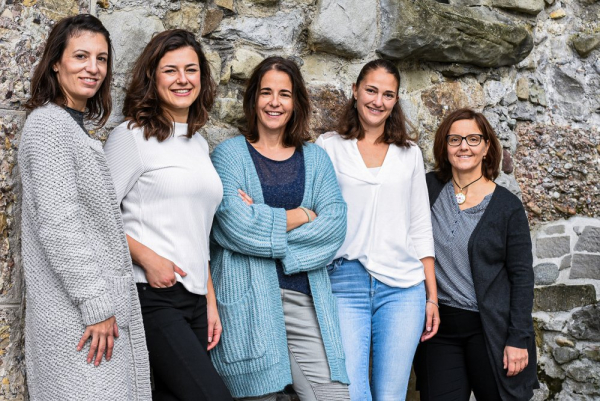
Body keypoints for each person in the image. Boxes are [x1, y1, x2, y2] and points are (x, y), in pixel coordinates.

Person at [19, 14, 150, 400]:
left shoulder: (71, 128)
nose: (93, 68)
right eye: (81, 56)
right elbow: (59, 223)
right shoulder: (49, 126)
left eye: (101, 59)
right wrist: (96, 304)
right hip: (79, 321)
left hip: (90, 317)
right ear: (55, 62)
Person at [209, 56, 350, 401]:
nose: (275, 102)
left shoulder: (315, 159)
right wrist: (303, 215)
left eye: (284, 94)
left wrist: (260, 220)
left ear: (296, 102)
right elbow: (234, 226)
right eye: (266, 92)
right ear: (253, 99)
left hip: (304, 300)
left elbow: (334, 228)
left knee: (332, 396)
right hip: (248, 302)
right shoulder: (229, 156)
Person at [103, 29, 232, 401]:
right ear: (152, 77)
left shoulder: (198, 142)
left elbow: (198, 231)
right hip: (151, 295)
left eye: (191, 69)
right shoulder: (131, 136)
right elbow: (98, 217)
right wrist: (147, 258)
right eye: (170, 70)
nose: (182, 79)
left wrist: (209, 300)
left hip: (194, 299)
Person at [315, 58, 438, 401]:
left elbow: (420, 227)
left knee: (391, 395)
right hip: (343, 283)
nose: (378, 101)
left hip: (403, 289)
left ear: (395, 101)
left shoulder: (409, 154)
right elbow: (312, 211)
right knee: (352, 394)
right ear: (355, 91)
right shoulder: (328, 146)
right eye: (371, 90)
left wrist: (431, 297)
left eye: (388, 94)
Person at [413, 108, 539, 400]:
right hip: (438, 330)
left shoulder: (507, 207)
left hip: (490, 330)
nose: (464, 146)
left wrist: (518, 338)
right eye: (454, 139)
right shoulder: (427, 188)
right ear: (445, 147)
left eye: (473, 139)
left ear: (486, 147)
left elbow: (522, 277)